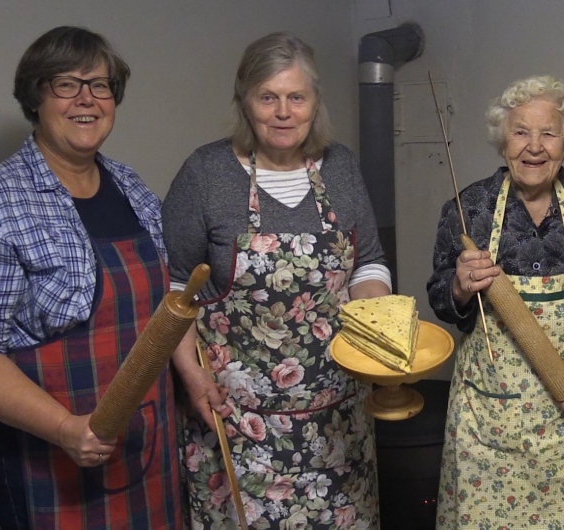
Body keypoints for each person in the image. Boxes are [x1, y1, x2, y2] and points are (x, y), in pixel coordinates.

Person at [0, 27, 181, 529]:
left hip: (145, 443)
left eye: (100, 84)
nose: (86, 99)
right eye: (66, 85)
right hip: (48, 457)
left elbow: (165, 309)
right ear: (36, 96)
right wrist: (67, 428)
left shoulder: (133, 189)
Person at [163, 32, 390, 529]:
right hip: (237, 425)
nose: (283, 112)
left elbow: (368, 262)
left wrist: (382, 333)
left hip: (338, 424)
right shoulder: (206, 174)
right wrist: (191, 376)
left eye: (296, 97)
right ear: (245, 102)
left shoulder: (341, 167)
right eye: (268, 97)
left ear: (314, 103)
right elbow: (174, 288)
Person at [427, 75, 564, 528]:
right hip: (489, 419)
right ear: (503, 139)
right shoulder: (471, 208)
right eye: (521, 131)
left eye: (549, 133)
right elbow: (441, 302)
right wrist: (461, 287)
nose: (534, 146)